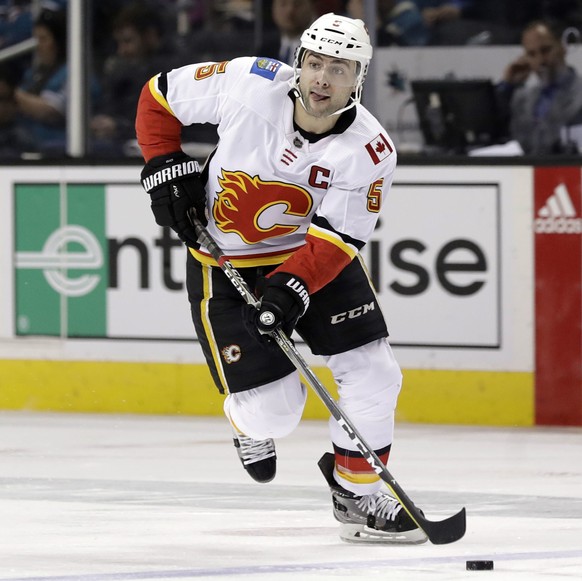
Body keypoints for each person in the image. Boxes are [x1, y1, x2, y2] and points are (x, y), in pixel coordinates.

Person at [136, 13, 427, 545]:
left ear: (359, 78)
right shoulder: (249, 83)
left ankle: (356, 494)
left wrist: (292, 285)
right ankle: (248, 424)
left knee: (375, 371)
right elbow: (158, 97)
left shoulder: (370, 149)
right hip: (225, 264)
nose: (321, 79)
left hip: (315, 258)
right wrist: (164, 167)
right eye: (314, 63)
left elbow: (339, 238)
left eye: (338, 69)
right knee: (276, 414)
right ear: (298, 62)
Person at [497, 20, 582, 154]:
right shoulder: (522, 98)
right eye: (532, 54)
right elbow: (499, 134)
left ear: (562, 47)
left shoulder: (578, 93)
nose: (541, 60)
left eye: (546, 50)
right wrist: (508, 85)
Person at [256, 0, 316, 65]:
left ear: (312, 6)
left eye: (297, 4)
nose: (290, 11)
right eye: (283, 4)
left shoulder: (321, 50)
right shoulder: (265, 49)